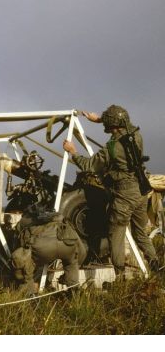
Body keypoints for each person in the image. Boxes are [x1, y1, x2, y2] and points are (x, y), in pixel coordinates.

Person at [63, 106, 159, 279]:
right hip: (141, 191)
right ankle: (157, 267)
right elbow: (121, 126)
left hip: (124, 195)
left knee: (116, 236)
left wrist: (73, 152)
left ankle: (120, 277)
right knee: (140, 235)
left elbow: (88, 165)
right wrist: (100, 120)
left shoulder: (112, 148)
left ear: (112, 125)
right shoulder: (137, 135)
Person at [11, 204, 87, 295]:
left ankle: (29, 292)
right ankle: (74, 291)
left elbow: (18, 240)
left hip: (43, 248)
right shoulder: (61, 217)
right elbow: (80, 248)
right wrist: (77, 261)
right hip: (67, 245)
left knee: (22, 259)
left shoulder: (25, 220)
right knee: (71, 263)